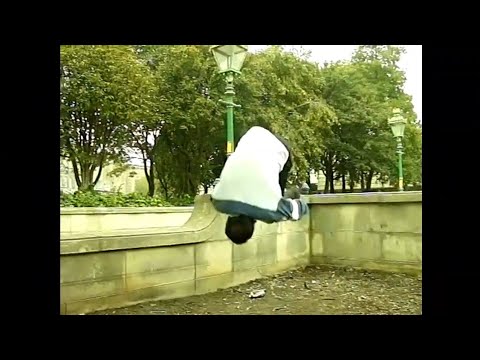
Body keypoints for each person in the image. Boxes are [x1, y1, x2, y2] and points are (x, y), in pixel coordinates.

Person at [211, 126, 308, 245]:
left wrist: (275, 215)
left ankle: (283, 196)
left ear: (253, 224)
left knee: (280, 191)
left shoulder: (270, 211)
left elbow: (302, 208)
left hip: (279, 146)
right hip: (250, 136)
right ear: (229, 220)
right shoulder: (218, 202)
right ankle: (281, 196)